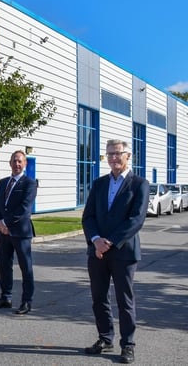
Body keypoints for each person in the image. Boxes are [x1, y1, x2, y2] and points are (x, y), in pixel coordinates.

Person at [81, 139, 147, 364]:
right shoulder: (99, 184)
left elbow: (136, 220)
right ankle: (105, 338)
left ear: (128, 156)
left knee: (124, 300)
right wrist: (96, 240)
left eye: (117, 154)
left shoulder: (139, 184)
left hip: (123, 252)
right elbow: (88, 216)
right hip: (97, 252)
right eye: (109, 154)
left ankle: (127, 345)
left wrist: (110, 242)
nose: (112, 158)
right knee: (99, 298)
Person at [0, 150, 37, 315]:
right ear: (10, 163)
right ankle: (5, 297)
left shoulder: (29, 183)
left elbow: (24, 208)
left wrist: (6, 222)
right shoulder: (2, 183)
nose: (17, 164)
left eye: (20, 161)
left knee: (25, 268)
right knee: (4, 265)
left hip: (20, 233)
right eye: (14, 161)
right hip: (3, 232)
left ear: (25, 164)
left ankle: (26, 301)